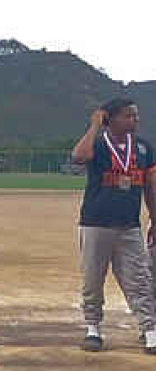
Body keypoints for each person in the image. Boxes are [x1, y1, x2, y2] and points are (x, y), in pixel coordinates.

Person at [69, 99, 156, 353]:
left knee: (140, 277)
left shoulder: (143, 148)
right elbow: (79, 156)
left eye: (136, 116)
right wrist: (95, 125)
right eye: (129, 116)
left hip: (129, 225)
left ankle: (149, 329)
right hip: (96, 223)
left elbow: (151, 187)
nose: (135, 120)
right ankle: (93, 328)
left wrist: (154, 217)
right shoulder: (96, 144)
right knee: (93, 278)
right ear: (112, 118)